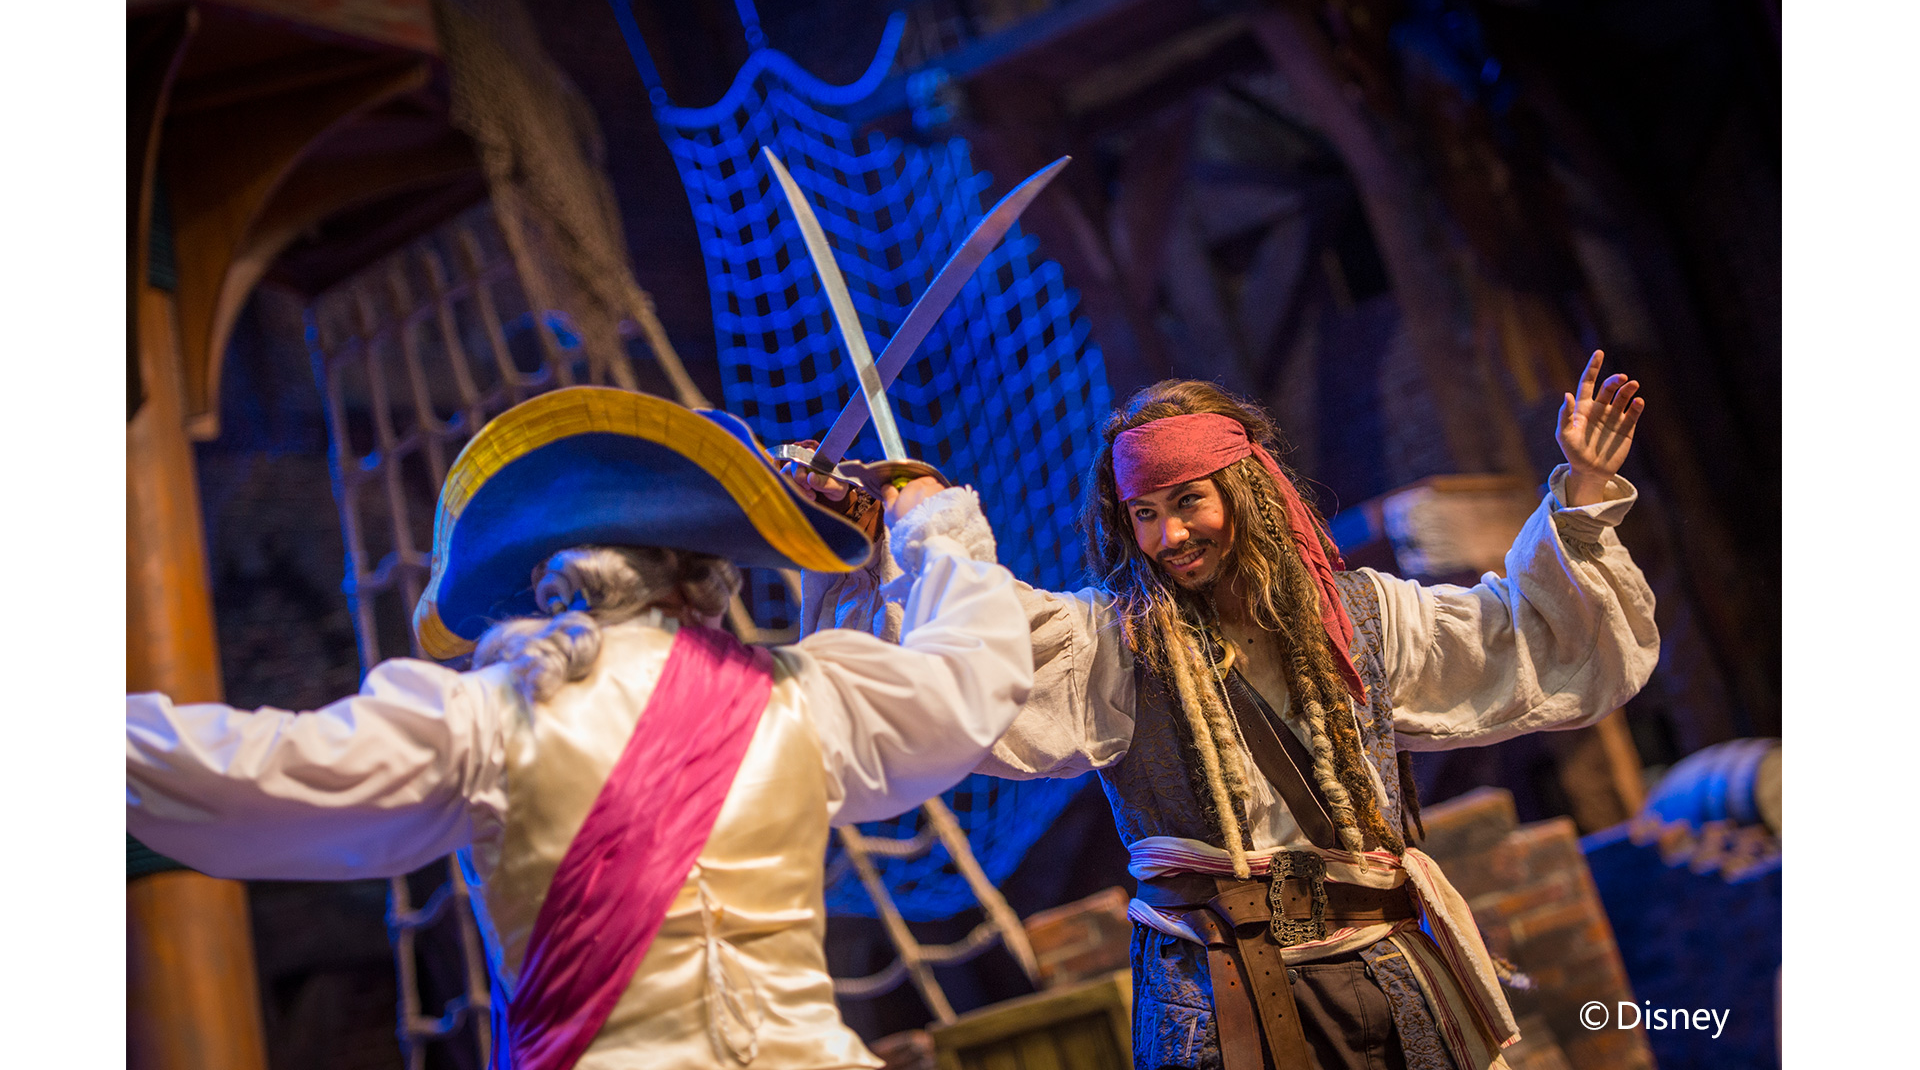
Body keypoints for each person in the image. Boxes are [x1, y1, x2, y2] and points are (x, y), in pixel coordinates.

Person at [790, 351, 1659, 1070]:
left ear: (1245, 493)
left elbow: (1521, 639)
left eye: (1187, 502)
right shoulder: (1114, 647)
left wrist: (1582, 497)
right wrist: (889, 535)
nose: (1168, 536)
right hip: (1225, 994)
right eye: (1144, 514)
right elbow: (969, 658)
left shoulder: (1360, 618)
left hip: (1389, 973)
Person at [126, 387, 1032, 1070]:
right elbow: (972, 679)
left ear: (555, 579)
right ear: (705, 575)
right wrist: (928, 525)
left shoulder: (486, 720)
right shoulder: (803, 697)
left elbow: (243, 772)